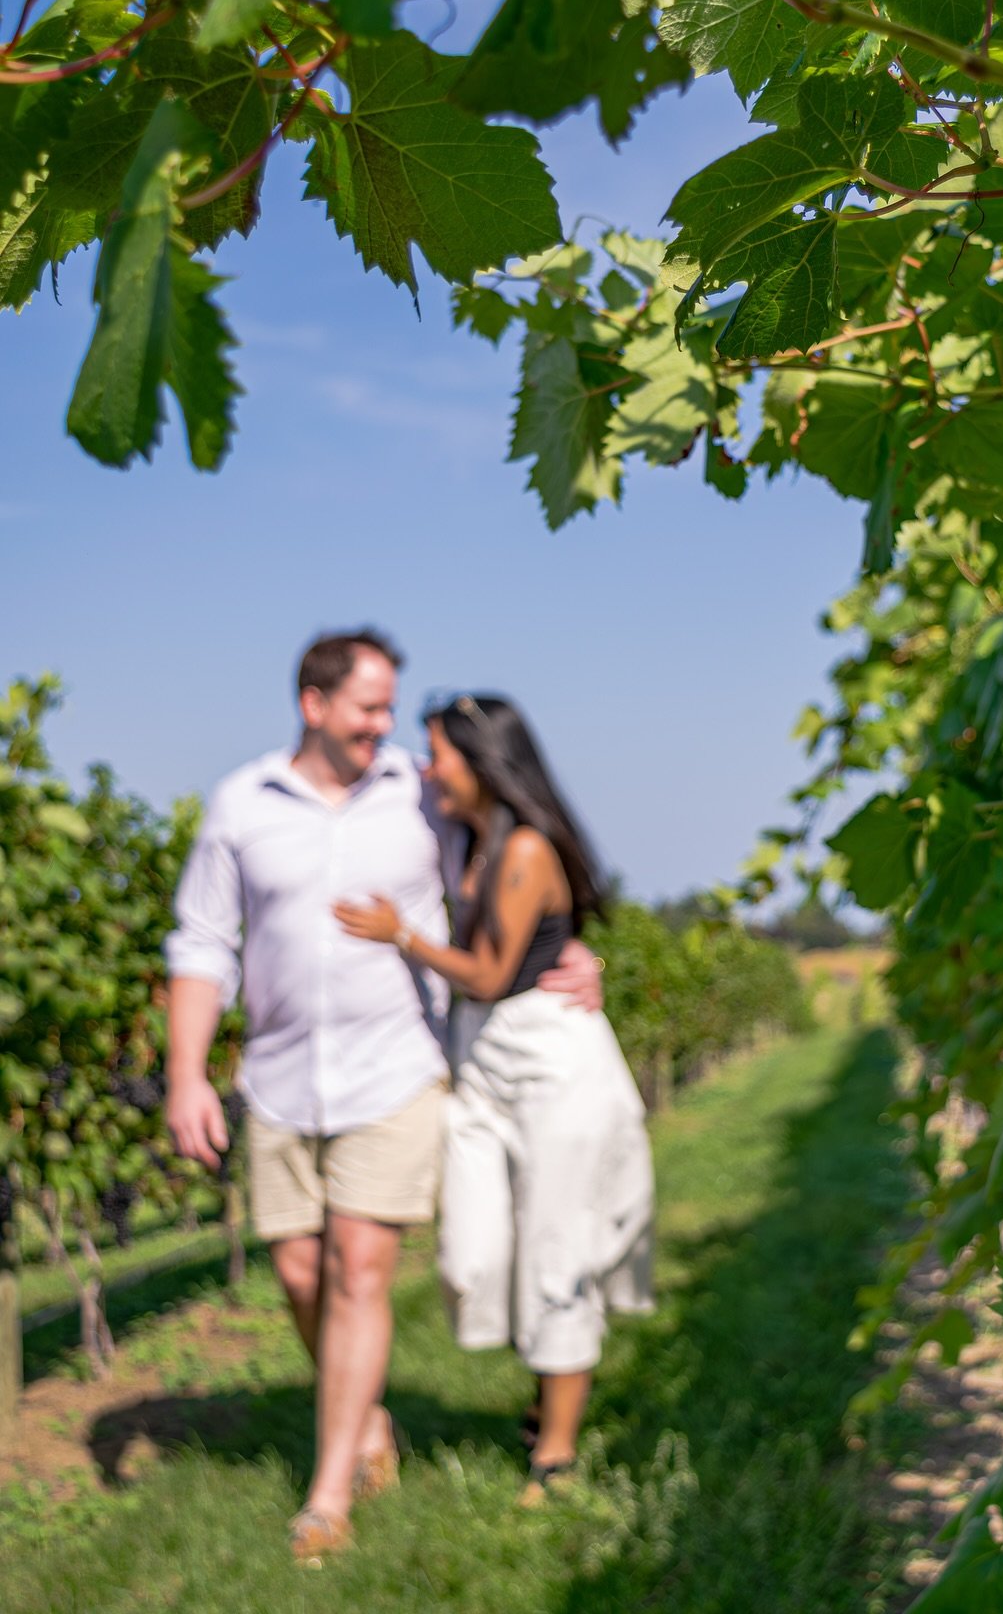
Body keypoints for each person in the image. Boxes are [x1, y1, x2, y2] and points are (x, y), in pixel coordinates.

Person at [164, 632, 603, 1564]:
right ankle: (364, 1423)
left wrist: (566, 950)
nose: (384, 726)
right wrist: (185, 1074)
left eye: (389, 708)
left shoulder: (420, 792)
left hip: (395, 1068)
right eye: (368, 707)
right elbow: (202, 942)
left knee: (362, 1269)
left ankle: (327, 1498)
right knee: (298, 1273)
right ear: (312, 704)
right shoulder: (242, 804)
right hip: (281, 1077)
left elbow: (513, 869)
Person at [335, 693, 654, 1502]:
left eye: (437, 751)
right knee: (476, 1253)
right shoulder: (471, 841)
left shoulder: (521, 852)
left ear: (481, 761)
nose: (427, 766)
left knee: (557, 1249)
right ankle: (546, 1390)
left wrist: (400, 935)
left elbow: (488, 973)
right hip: (485, 1064)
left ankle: (554, 1453)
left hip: (551, 1065)